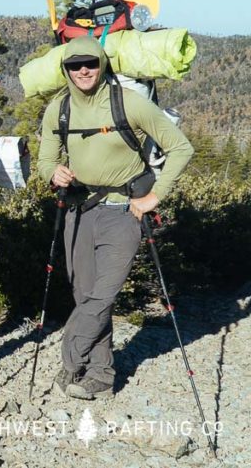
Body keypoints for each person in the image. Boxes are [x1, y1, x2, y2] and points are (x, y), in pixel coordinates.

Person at [37, 37, 193, 400]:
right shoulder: (57, 109)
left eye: (90, 63)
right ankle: (101, 376)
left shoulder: (129, 103)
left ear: (102, 64)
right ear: (66, 70)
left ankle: (70, 362)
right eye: (75, 65)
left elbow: (181, 147)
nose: (83, 71)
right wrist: (53, 172)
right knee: (85, 294)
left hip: (124, 210)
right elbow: (47, 158)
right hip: (78, 210)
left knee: (101, 295)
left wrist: (155, 196)